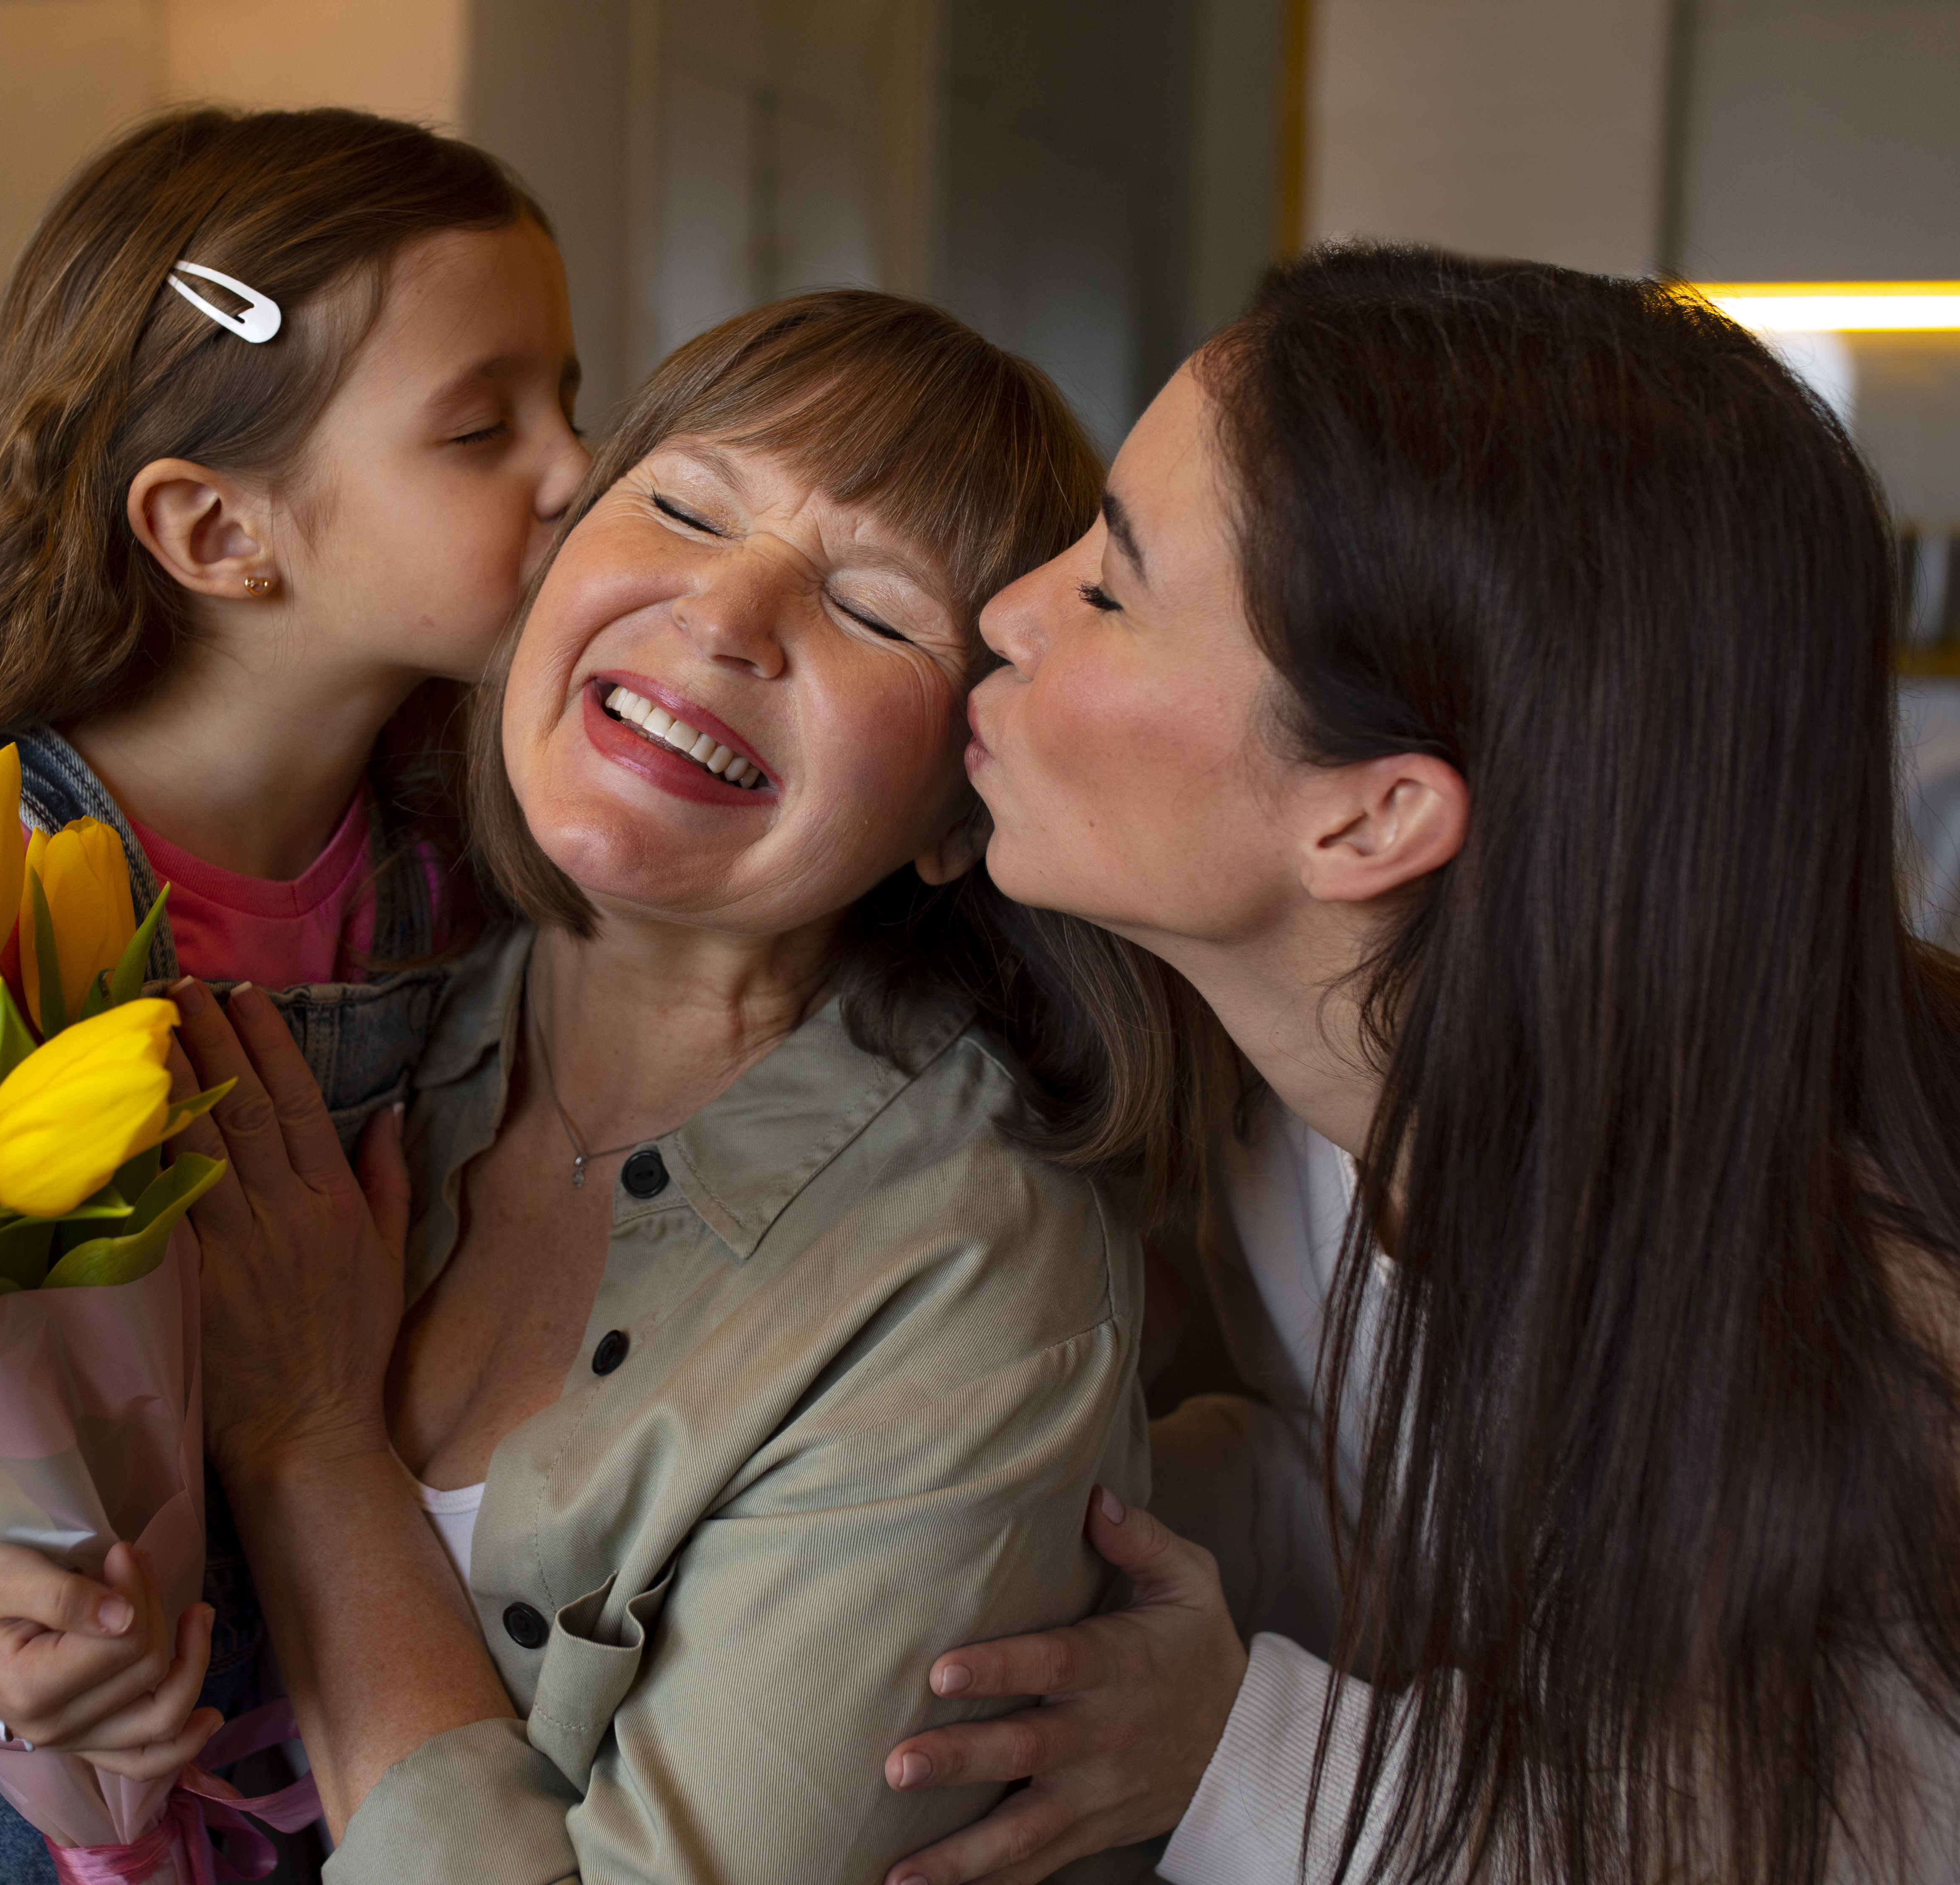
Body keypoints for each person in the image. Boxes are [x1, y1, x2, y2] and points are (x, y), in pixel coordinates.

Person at [878, 244, 1960, 1884]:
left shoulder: (1910, 1405)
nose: (1006, 612)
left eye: (1112, 589)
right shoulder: (1325, 1107)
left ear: (1377, 815)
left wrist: (1236, 1751)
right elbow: (1395, 1486)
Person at [0, 104, 586, 1881]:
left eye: (571, 400)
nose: (579, 468)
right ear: (217, 531)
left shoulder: (453, 870)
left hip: (288, 1740)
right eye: (484, 426)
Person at [159, 288, 1216, 1883]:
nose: (729, 612)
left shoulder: (977, 1275)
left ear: (960, 801)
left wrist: (312, 1449)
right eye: (684, 505)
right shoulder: (341, 1007)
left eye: (872, 607)